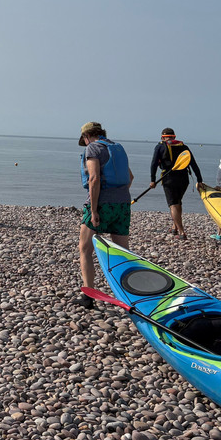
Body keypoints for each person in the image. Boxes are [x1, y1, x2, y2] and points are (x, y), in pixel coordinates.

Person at [77, 121, 133, 308]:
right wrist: (119, 196)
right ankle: (130, 296)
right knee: (122, 253)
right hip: (123, 205)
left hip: (102, 204)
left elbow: (94, 179)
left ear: (86, 137)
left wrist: (94, 210)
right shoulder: (118, 148)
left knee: (85, 249)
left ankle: (88, 298)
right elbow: (130, 177)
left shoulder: (93, 148)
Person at [148, 128, 204, 239]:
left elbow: (154, 164)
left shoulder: (160, 147)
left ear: (162, 137)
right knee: (178, 202)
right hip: (184, 179)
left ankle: (182, 233)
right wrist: (199, 180)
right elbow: (193, 164)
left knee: (173, 204)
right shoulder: (184, 147)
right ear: (174, 137)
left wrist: (152, 180)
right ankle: (175, 227)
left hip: (169, 179)